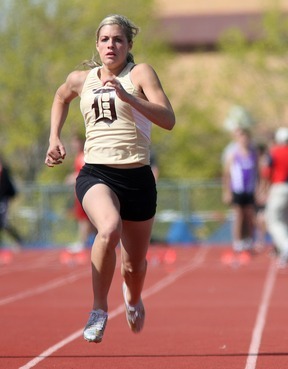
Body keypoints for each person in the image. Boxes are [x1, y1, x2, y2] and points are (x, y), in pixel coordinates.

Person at [44, 14, 176, 343]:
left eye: (118, 39)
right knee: (108, 228)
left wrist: (131, 98)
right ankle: (99, 309)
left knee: (133, 267)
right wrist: (54, 138)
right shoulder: (81, 79)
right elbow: (61, 97)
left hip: (138, 179)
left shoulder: (140, 73)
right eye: (105, 39)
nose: (111, 45)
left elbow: (169, 119)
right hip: (96, 173)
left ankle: (132, 299)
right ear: (97, 44)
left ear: (129, 45)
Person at [263, 127, 288, 268]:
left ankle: (287, 245)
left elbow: (267, 172)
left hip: (279, 188)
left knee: (272, 220)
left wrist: (264, 189)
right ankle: (285, 253)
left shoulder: (274, 152)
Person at [222, 127, 259, 253]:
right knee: (238, 215)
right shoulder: (233, 154)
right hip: (237, 189)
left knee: (249, 215)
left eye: (246, 137)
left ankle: (248, 240)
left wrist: (258, 189)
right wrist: (226, 191)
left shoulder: (253, 154)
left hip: (249, 189)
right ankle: (237, 241)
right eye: (241, 137)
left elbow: (257, 172)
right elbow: (226, 174)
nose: (244, 140)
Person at [65, 134, 96, 253]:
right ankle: (89, 241)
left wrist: (73, 177)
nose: (73, 145)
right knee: (86, 219)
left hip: (85, 192)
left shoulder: (83, 157)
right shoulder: (78, 156)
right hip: (79, 192)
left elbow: (85, 174)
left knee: (84, 219)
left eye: (76, 142)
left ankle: (82, 242)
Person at [0, 157, 23, 250]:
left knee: (3, 223)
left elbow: (8, 188)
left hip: (3, 200)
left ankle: (18, 240)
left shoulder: (4, 172)